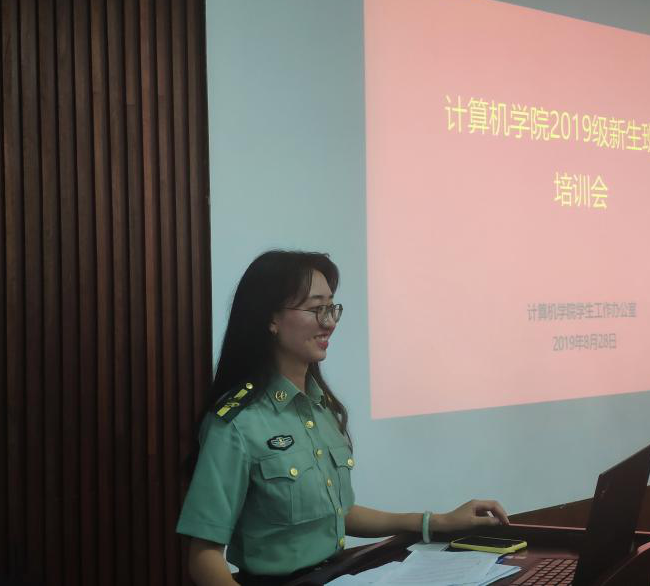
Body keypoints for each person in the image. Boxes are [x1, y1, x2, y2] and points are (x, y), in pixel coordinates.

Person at [177, 250, 511, 585]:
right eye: (315, 309)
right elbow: (204, 555)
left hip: (338, 575)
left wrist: (436, 522)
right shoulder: (236, 422)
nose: (330, 322)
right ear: (272, 319)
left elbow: (339, 514)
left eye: (331, 308)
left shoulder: (321, 408)